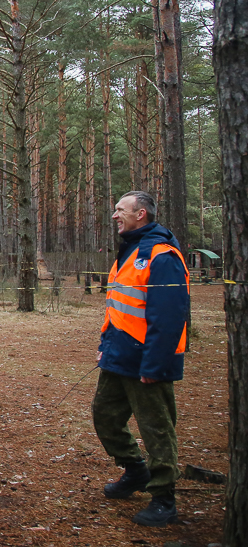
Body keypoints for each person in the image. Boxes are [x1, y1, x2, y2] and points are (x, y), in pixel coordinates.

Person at [92, 190, 190, 527]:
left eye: (121, 210)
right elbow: (118, 308)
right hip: (118, 356)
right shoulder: (129, 252)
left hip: (148, 361)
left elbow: (170, 317)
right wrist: (106, 343)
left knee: (156, 429)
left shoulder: (162, 256)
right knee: (104, 416)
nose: (115, 215)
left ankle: (164, 499)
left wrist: (156, 364)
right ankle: (135, 471)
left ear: (141, 214)